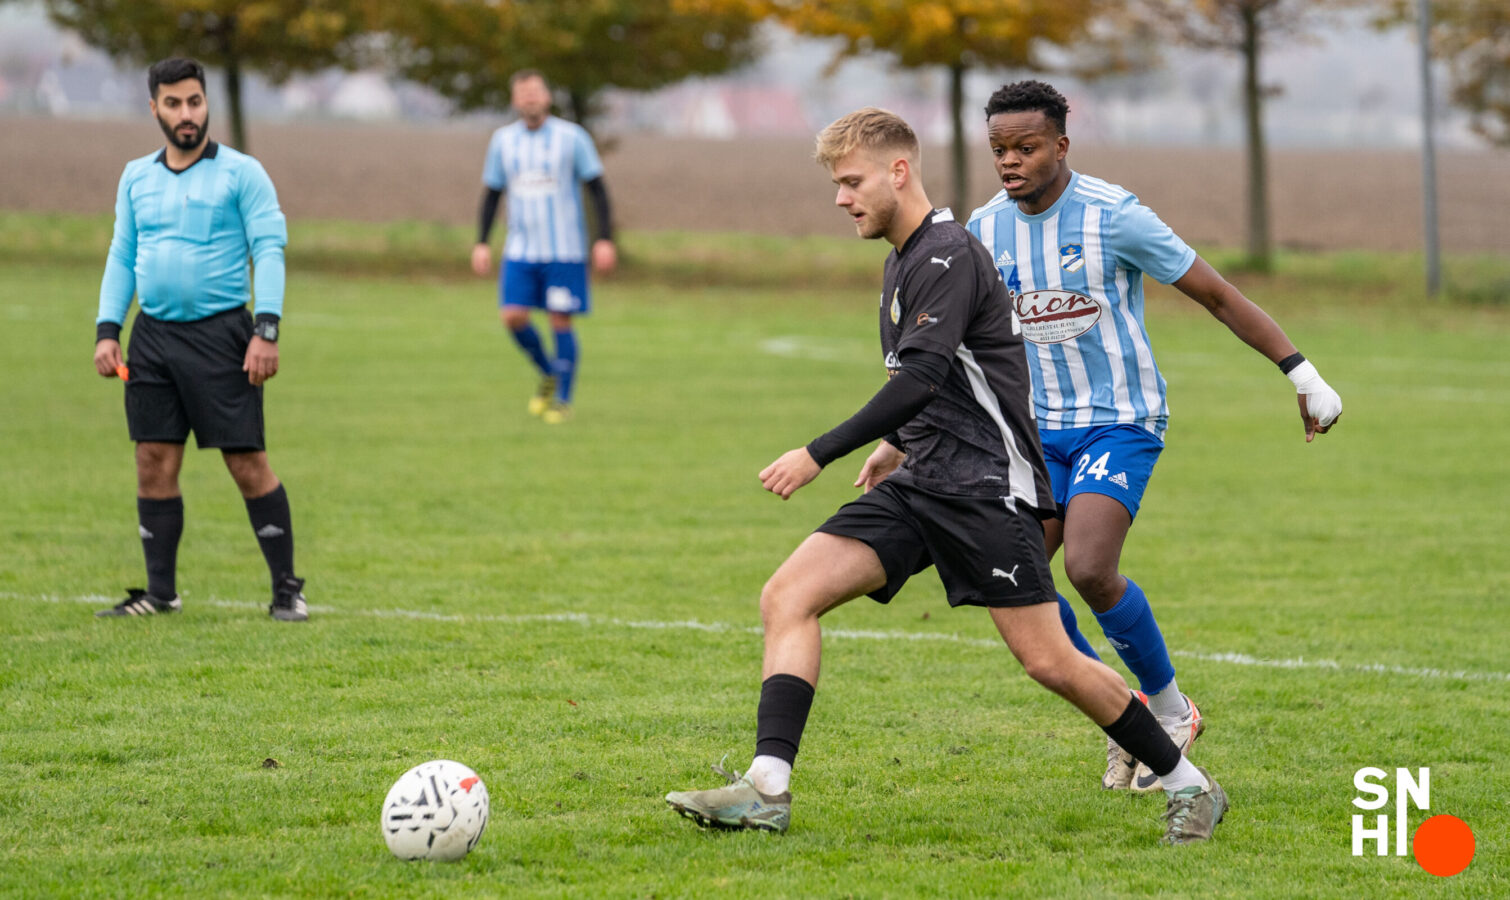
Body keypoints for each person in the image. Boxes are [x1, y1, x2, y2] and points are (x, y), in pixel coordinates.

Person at [665, 108, 1227, 845]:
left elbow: (924, 376)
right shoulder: (905, 259)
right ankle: (767, 787)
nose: (841, 198)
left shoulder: (947, 255)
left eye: (852, 182)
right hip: (924, 479)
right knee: (788, 596)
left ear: (899, 171)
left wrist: (819, 451)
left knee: (1048, 660)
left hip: (987, 488)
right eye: (836, 185)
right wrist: (897, 444)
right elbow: (949, 379)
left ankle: (1190, 786)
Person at [955, 80, 1341, 791]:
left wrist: (1302, 373)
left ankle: (1169, 712)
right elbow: (967, 341)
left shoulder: (1115, 217)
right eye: (999, 149)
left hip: (1121, 419)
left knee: (1089, 567)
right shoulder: (985, 229)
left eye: (1026, 147)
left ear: (1061, 145)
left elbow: (1217, 294)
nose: (1009, 161)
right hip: (1036, 431)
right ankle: (1125, 716)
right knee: (1012, 583)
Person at [92, 57, 307, 623]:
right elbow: (122, 253)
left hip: (222, 336)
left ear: (206, 102)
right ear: (154, 108)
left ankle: (287, 589)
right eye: (173, 103)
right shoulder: (136, 176)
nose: (186, 113)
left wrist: (266, 329)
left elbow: (269, 251)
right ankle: (160, 593)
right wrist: (108, 329)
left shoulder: (242, 173)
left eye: (194, 101)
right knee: (153, 459)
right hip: (153, 338)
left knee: (246, 461)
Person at [471, 69, 617, 424]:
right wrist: (482, 242)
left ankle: (562, 401)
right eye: (523, 93)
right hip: (520, 249)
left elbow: (597, 189)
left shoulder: (572, 137)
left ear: (547, 96)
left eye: (535, 92)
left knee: (559, 319)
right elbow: (492, 193)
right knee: (513, 316)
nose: (530, 98)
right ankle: (549, 371)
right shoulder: (503, 141)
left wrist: (604, 238)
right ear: (514, 100)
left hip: (564, 250)